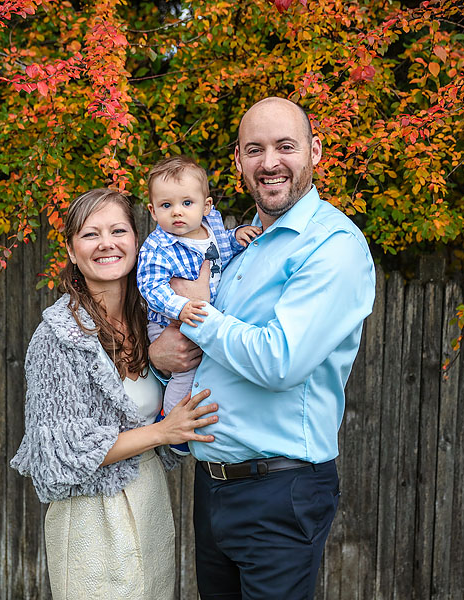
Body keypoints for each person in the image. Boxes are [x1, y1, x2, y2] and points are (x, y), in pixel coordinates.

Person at [149, 97, 377, 599]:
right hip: (211, 484)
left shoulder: (331, 245)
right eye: (255, 149)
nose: (269, 162)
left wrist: (195, 315)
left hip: (280, 490)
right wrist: (158, 355)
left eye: (286, 146)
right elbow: (199, 347)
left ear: (314, 151)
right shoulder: (235, 244)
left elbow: (279, 361)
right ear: (237, 161)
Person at [10, 189, 219, 600]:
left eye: (118, 230)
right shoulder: (59, 335)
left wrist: (157, 360)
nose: (107, 243)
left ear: (136, 241)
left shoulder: (152, 319)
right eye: (91, 234)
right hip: (93, 516)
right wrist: (164, 432)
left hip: (150, 504)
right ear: (71, 250)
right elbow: (61, 452)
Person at [136, 156, 261, 454]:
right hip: (168, 322)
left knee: (211, 368)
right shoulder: (157, 247)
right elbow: (149, 286)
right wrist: (179, 307)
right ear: (153, 211)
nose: (177, 212)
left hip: (202, 318)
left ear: (205, 207)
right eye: (166, 206)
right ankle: (173, 422)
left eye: (187, 203)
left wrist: (237, 237)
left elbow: (222, 250)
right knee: (185, 371)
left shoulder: (212, 226)